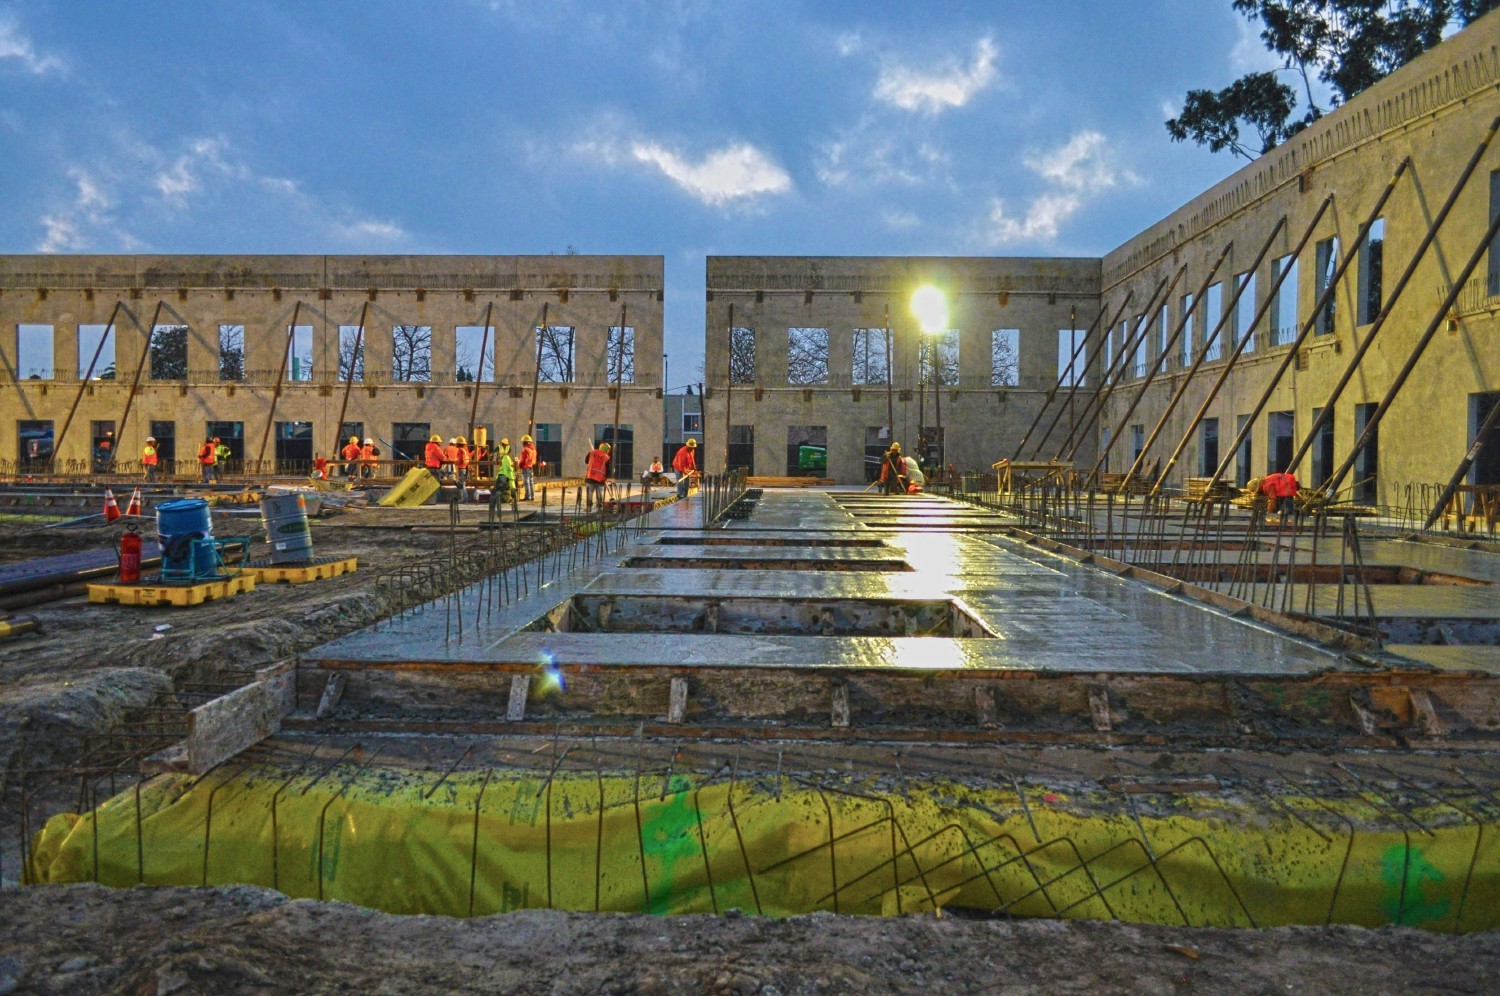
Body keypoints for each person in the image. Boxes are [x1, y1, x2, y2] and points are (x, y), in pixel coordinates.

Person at [585, 440, 611, 510]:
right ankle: (599, 508)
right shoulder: (606, 457)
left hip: (590, 476)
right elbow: (608, 469)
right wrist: (606, 478)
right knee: (599, 493)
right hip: (600, 479)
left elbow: (586, 461)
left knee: (589, 493)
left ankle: (588, 507)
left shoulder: (592, 452)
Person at [494, 438, 515, 503]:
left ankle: (503, 497)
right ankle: (506, 497)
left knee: (502, 484)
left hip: (503, 462)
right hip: (501, 461)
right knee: (508, 484)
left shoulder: (508, 448)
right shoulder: (499, 447)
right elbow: (495, 451)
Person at [517, 434, 537, 501]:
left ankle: (528, 496)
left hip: (526, 468)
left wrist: (520, 465)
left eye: (523, 442)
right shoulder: (533, 450)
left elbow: (523, 460)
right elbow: (534, 460)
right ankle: (532, 496)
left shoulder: (526, 450)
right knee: (531, 482)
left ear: (525, 442)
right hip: (531, 467)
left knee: (526, 482)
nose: (523, 443)